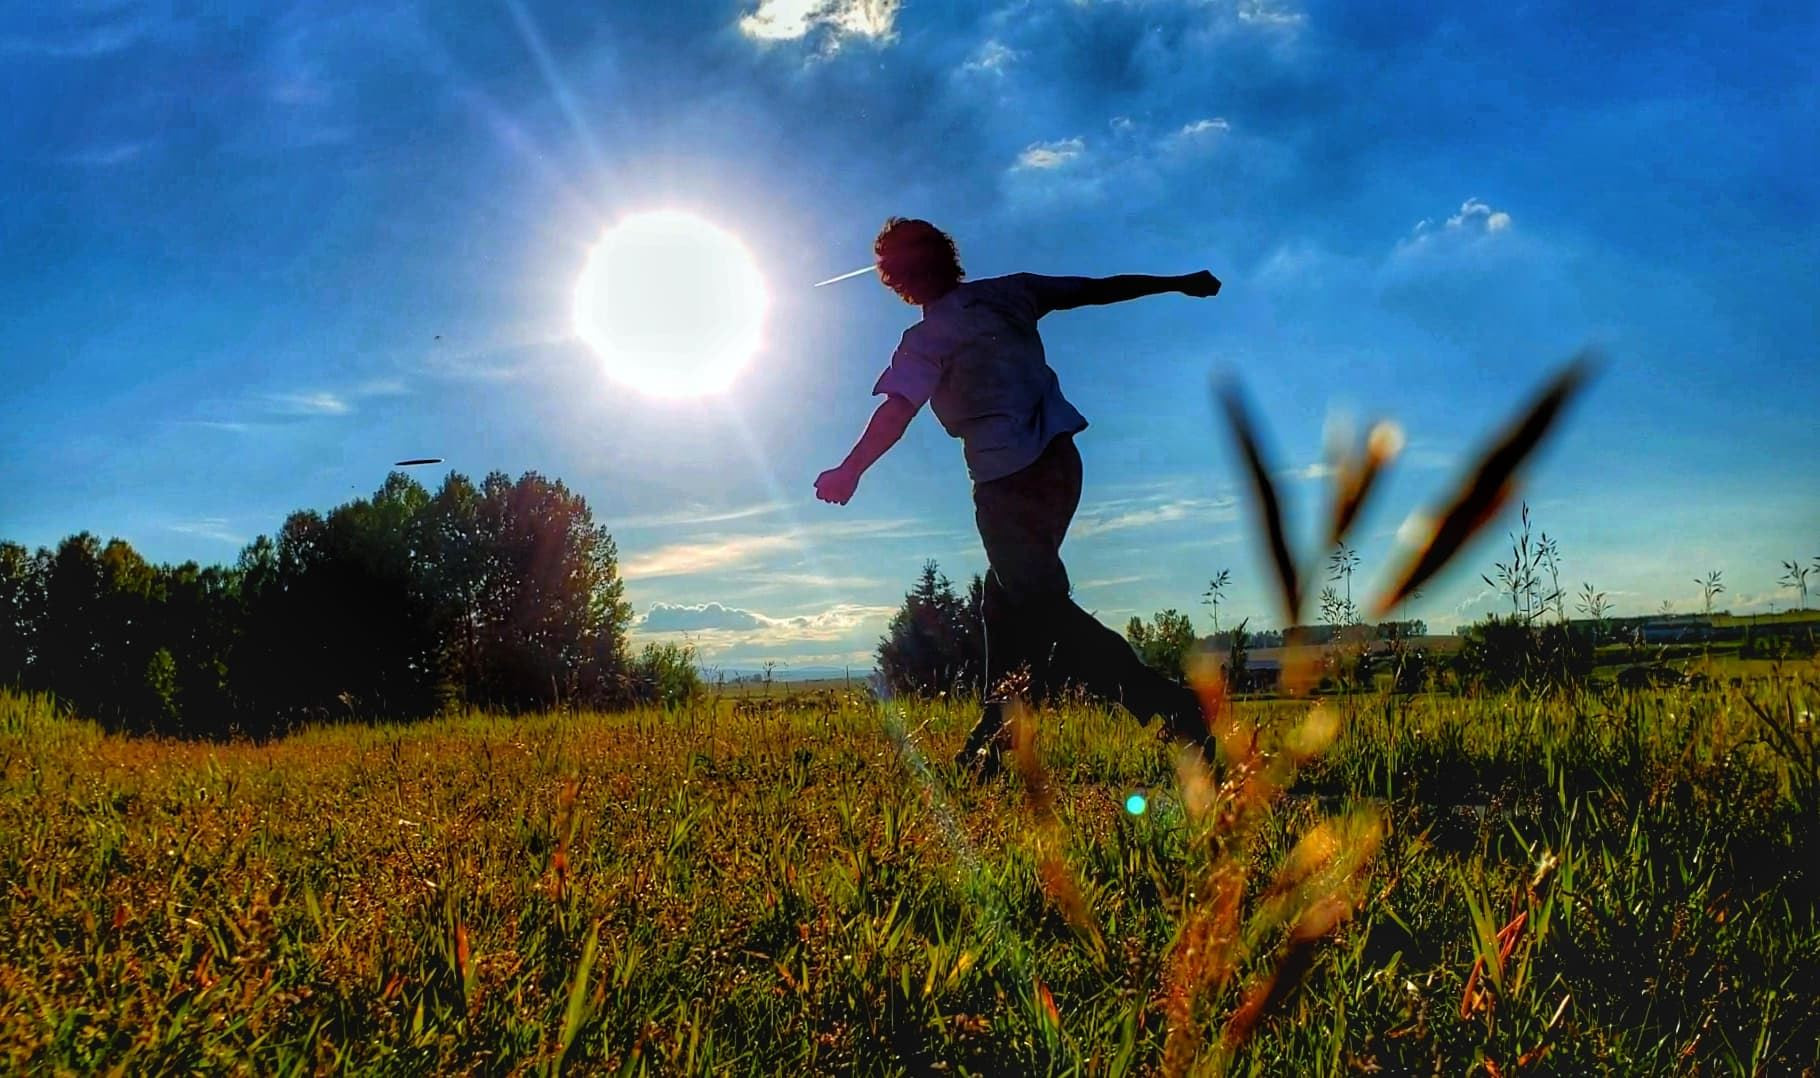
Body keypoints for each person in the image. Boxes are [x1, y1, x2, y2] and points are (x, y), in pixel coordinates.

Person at [814, 217, 1222, 777]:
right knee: (1003, 604)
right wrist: (1176, 280)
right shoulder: (1012, 292)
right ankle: (994, 736)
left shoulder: (925, 340)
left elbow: (897, 410)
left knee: (1041, 608)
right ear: (946, 257)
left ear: (896, 281)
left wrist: (850, 469)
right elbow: (1096, 288)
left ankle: (1171, 707)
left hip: (1006, 483)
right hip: (1060, 466)